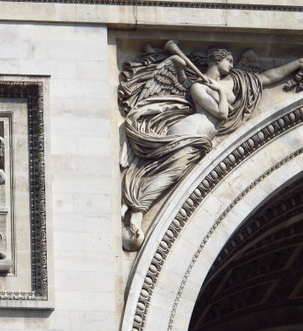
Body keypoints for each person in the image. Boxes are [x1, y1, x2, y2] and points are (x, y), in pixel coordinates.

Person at [121, 45, 303, 250]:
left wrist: (296, 63)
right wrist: (218, 91)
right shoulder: (198, 87)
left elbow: (267, 79)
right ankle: (137, 210)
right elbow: (222, 114)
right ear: (217, 60)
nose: (232, 64)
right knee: (170, 173)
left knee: (171, 172)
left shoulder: (236, 81)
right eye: (229, 61)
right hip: (191, 133)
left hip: (203, 138)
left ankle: (138, 208)